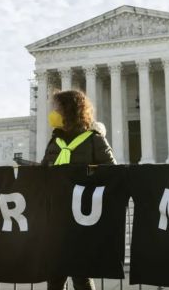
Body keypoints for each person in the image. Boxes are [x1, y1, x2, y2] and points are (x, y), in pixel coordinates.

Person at [43, 89, 116, 290]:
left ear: (68, 111)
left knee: (80, 276)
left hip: (82, 218)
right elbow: (43, 174)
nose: (52, 113)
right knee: (54, 277)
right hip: (56, 218)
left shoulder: (94, 140)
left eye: (56, 108)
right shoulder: (54, 141)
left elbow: (113, 174)